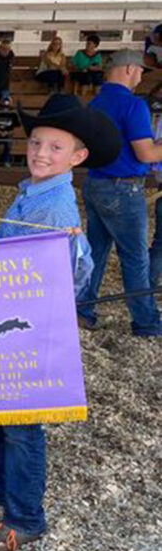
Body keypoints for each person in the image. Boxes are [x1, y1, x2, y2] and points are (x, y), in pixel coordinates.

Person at [0, 93, 120, 551]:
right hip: (22, 320)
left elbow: (18, 273)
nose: (41, 152)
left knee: (23, 424)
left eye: (55, 147)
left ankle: (25, 518)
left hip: (35, 327)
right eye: (37, 142)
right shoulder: (34, 193)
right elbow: (12, 261)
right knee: (5, 408)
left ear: (78, 157)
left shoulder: (53, 208)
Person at [78, 49, 162, 336]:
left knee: (96, 252)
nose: (140, 78)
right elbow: (146, 154)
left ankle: (83, 311)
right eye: (140, 72)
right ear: (129, 69)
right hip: (124, 189)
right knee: (135, 258)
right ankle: (147, 323)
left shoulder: (95, 103)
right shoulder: (134, 105)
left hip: (95, 183)